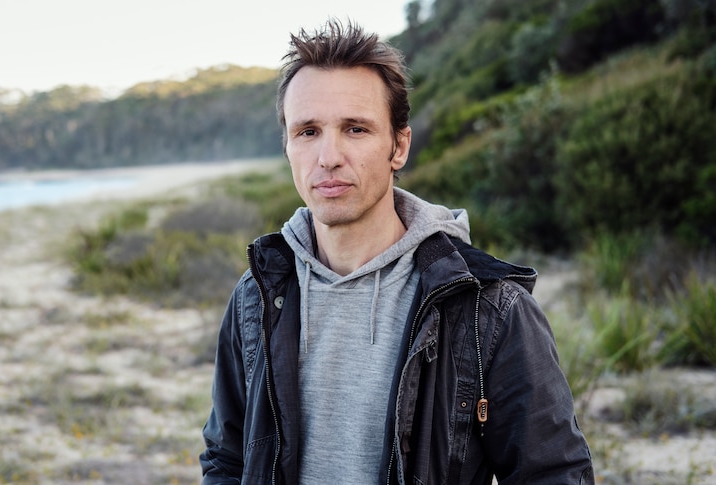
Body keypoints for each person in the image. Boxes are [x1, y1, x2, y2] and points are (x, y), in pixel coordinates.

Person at [200, 18, 594, 484]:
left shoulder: (487, 308)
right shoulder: (256, 296)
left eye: (355, 129)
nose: (328, 156)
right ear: (287, 145)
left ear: (399, 145)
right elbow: (227, 460)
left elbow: (553, 474)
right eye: (308, 131)